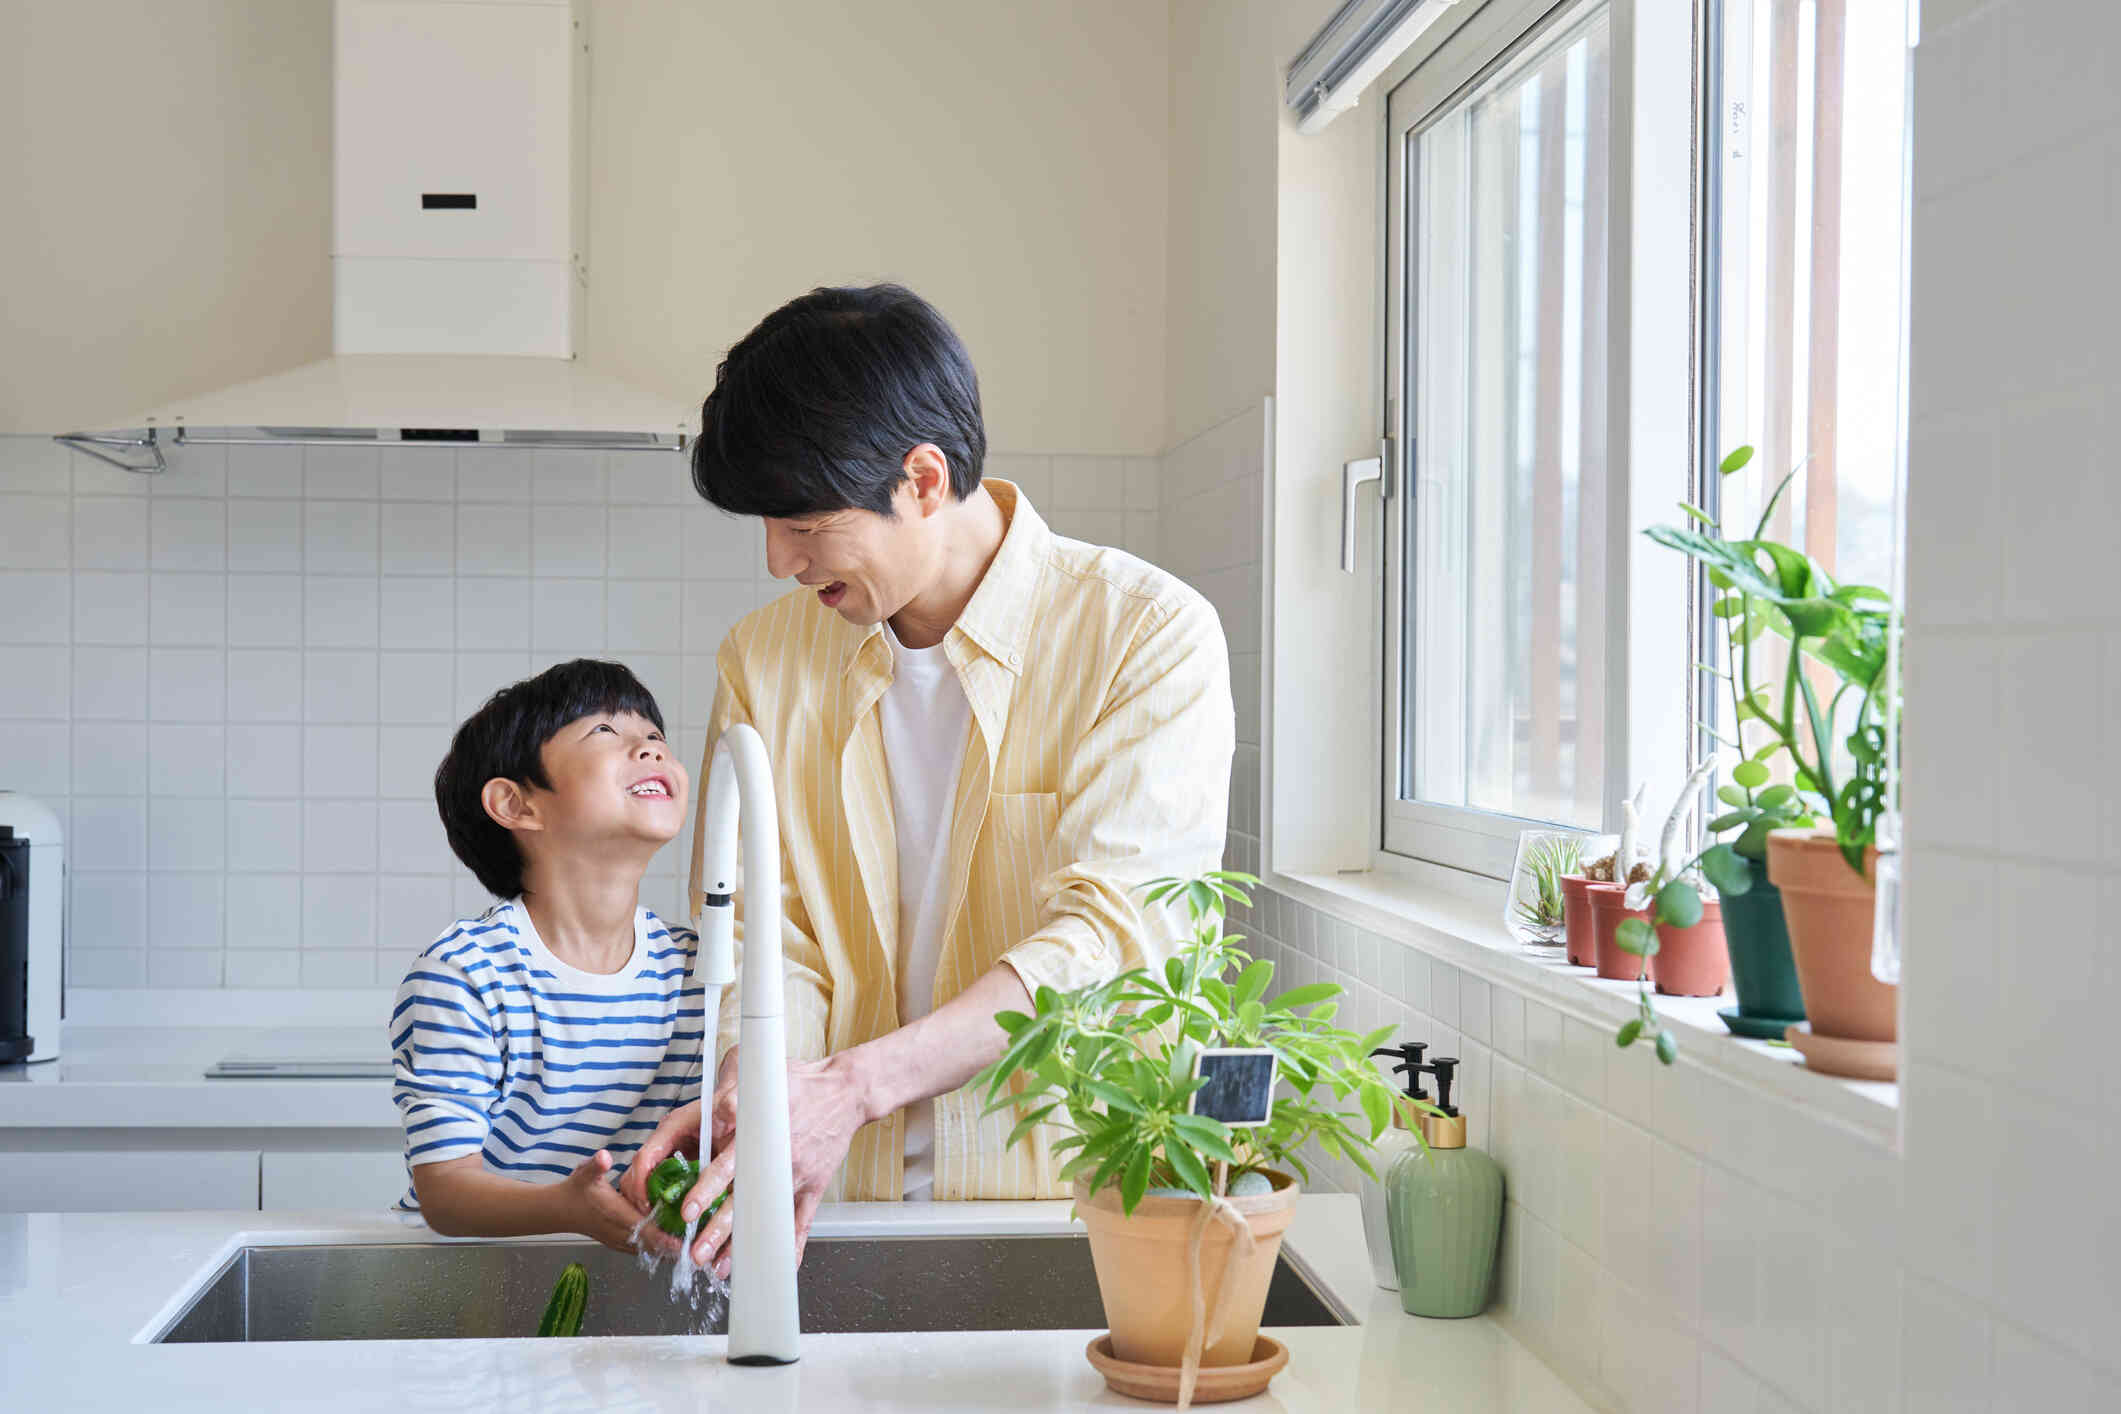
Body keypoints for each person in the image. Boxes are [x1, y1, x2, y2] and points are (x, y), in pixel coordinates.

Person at [619, 284, 1234, 1279]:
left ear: (922, 479)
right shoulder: (764, 661)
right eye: (770, 526)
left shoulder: (1145, 637)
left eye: (806, 521)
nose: (780, 559)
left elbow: (1117, 940)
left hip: (1071, 1224)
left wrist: (853, 1086)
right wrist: (761, 1094)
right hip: (838, 1218)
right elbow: (766, 934)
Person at [388, 658, 699, 1255]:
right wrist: (567, 1208)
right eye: (606, 732)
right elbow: (445, 1192)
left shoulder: (700, 972)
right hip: (471, 1283)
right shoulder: (464, 975)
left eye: (656, 737)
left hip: (627, 1274)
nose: (651, 750)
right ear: (516, 804)